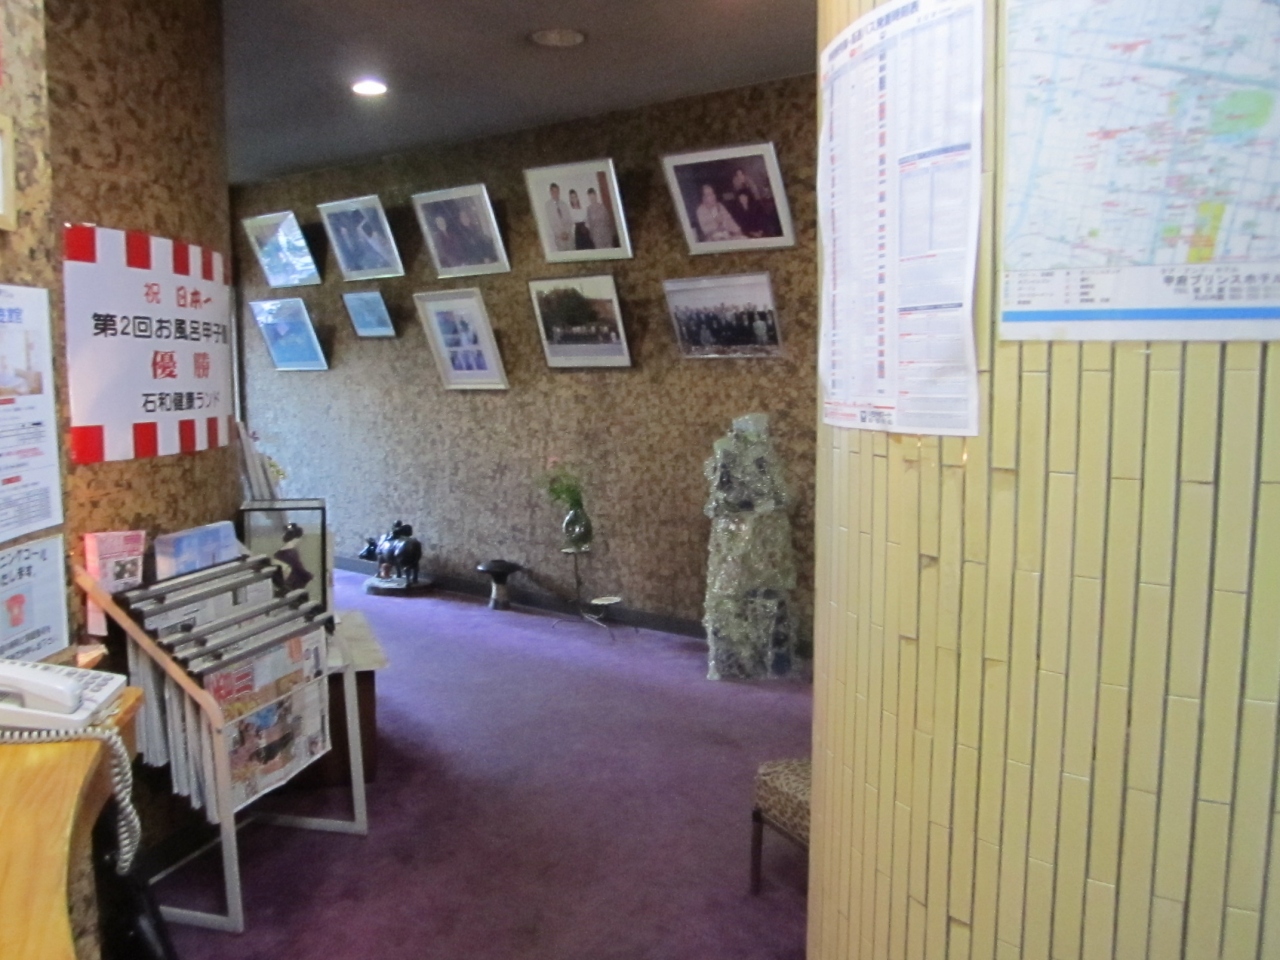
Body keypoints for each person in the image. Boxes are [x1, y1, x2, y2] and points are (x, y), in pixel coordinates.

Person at [544, 183, 573, 252]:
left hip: (569, 236)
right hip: (559, 238)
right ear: (550, 192)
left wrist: (567, 232)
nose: (556, 193)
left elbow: (569, 220)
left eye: (557, 191)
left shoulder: (564, 204)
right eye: (554, 191)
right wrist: (560, 234)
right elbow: (551, 222)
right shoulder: (548, 206)